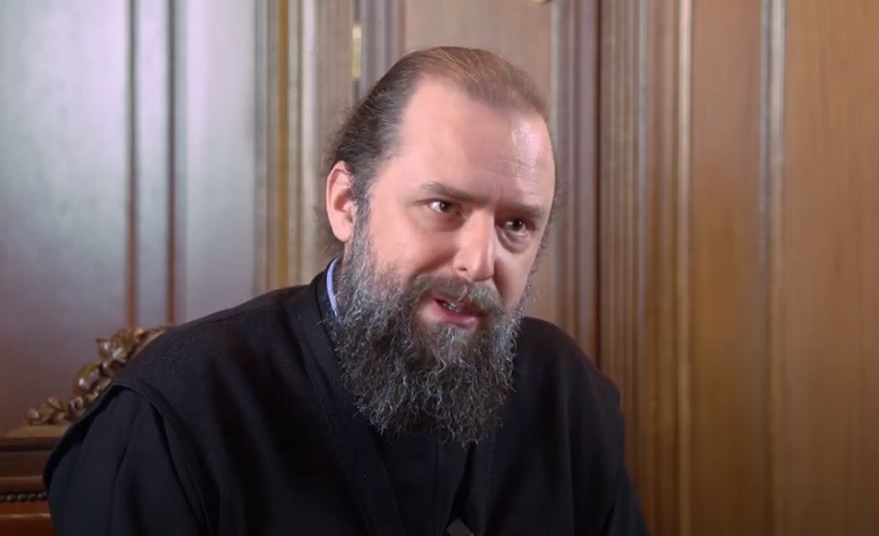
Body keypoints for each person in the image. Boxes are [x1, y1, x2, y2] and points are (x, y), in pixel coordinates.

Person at [44, 47, 648, 535]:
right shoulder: (180, 410)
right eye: (443, 206)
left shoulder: (566, 395)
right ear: (346, 204)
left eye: (516, 225)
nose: (479, 262)